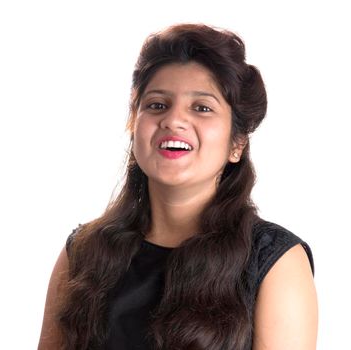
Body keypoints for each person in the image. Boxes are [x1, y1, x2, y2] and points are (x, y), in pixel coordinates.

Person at [38, 23, 318, 350]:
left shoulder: (275, 263)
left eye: (202, 108)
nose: (174, 120)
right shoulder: (83, 251)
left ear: (237, 143)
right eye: (157, 105)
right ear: (134, 123)